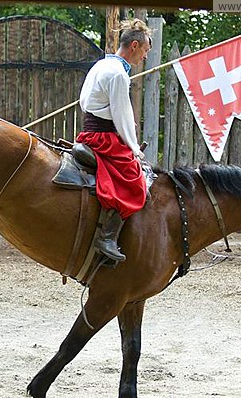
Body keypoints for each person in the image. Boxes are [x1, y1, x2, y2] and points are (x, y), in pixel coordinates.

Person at [75, 18, 151, 263]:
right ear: (135, 46)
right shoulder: (118, 74)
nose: (145, 57)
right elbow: (121, 114)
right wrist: (133, 147)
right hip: (104, 137)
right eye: (146, 51)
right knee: (133, 179)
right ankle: (107, 237)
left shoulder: (102, 65)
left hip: (91, 131)